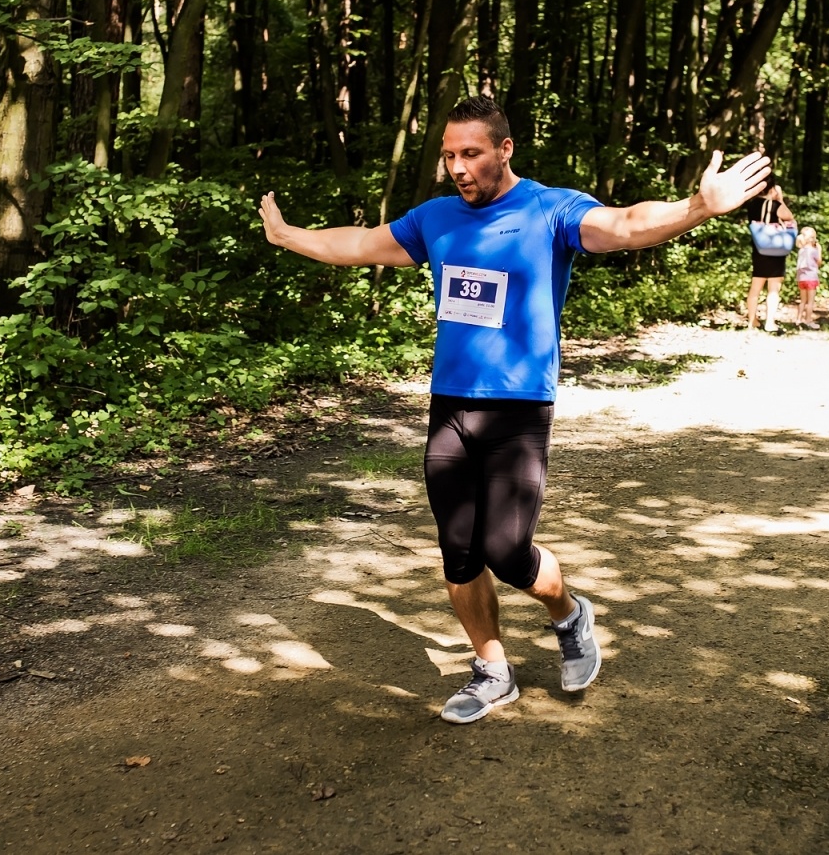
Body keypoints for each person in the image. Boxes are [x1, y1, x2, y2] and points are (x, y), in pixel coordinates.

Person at [258, 96, 770, 723]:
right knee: (459, 552)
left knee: (506, 549)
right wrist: (288, 236)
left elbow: (628, 223)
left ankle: (569, 614)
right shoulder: (437, 218)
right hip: (450, 406)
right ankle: (492, 669)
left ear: (504, 149)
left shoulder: (549, 209)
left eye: (470, 153)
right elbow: (364, 242)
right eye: (448, 156)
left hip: (519, 408)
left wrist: (696, 208)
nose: (458, 168)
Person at [744, 180, 794, 332]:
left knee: (755, 287)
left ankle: (752, 320)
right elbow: (789, 216)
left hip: (759, 249)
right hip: (775, 249)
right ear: (772, 189)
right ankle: (769, 322)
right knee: (773, 288)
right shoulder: (775, 206)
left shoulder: (752, 205)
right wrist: (780, 199)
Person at [795, 227, 822, 329]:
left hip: (801, 278)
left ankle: (798, 320)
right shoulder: (814, 251)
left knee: (802, 301)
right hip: (811, 278)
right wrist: (819, 250)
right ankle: (808, 321)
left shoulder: (801, 250)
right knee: (810, 301)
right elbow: (819, 262)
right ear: (812, 238)